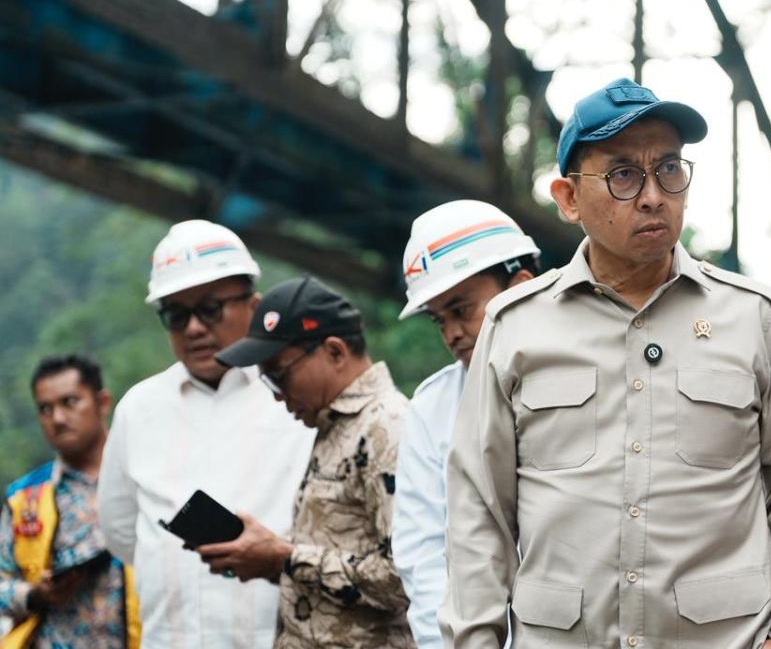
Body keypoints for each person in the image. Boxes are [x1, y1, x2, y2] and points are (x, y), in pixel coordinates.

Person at [442, 78, 771, 649]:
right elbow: (478, 512)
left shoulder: (751, 315)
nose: (653, 194)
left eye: (669, 169)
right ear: (569, 198)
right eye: (624, 174)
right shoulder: (513, 326)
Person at [97, 220, 313, 649]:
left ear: (252, 305)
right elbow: (122, 532)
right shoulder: (139, 410)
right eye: (176, 315)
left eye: (210, 309)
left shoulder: (294, 397)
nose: (194, 328)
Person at [199, 275, 414, 648]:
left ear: (334, 352)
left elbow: (403, 577)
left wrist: (285, 556)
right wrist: (269, 558)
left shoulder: (386, 426)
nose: (279, 396)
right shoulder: (334, 423)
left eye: (280, 375)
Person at [391, 200, 540, 649]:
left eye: (462, 310)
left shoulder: (600, 373)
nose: (452, 333)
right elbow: (424, 555)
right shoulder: (432, 408)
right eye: (440, 320)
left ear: (520, 288)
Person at [1, 355, 139, 648]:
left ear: (102, 402)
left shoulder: (145, 476)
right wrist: (34, 594)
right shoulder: (26, 497)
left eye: (70, 402)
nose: (58, 419)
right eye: (45, 409)